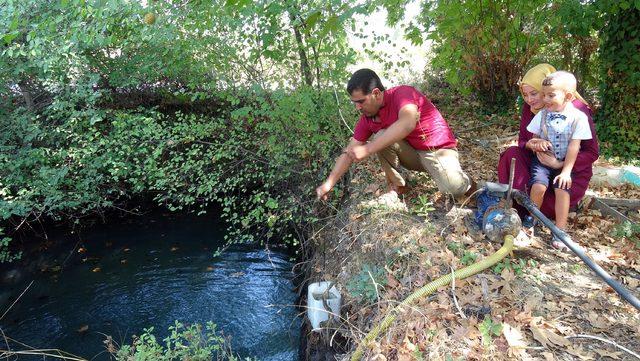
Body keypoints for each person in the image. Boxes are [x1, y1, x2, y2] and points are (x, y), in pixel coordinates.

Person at [316, 68, 473, 201]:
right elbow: (349, 152)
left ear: (376, 93)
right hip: (413, 155)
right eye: (354, 102)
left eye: (361, 101)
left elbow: (408, 122)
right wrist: (328, 184)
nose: (357, 107)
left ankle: (472, 186)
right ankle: (397, 188)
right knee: (381, 136)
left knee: (454, 188)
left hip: (438, 151)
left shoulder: (402, 94)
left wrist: (368, 148)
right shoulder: (367, 118)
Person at [496, 64, 599, 233]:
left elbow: (591, 152)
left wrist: (561, 165)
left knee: (560, 193)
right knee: (511, 154)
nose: (530, 99)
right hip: (540, 167)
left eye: (534, 93)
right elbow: (523, 140)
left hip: (569, 172)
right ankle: (525, 209)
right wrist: (531, 144)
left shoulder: (577, 112)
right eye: (525, 94)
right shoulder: (533, 109)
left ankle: (558, 226)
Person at [526, 71, 593, 249]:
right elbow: (532, 139)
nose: (545, 99)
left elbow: (574, 146)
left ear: (568, 96)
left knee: (562, 189)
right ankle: (530, 220)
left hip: (564, 162)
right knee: (538, 186)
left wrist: (565, 171)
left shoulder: (578, 118)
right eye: (544, 94)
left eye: (551, 95)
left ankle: (560, 229)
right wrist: (537, 142)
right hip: (543, 160)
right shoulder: (542, 115)